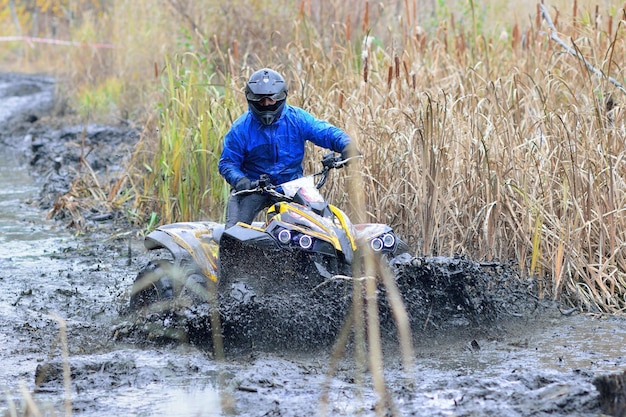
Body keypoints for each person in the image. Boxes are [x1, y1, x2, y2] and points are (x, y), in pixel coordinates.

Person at [218, 68, 358, 229]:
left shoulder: (297, 118)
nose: (266, 104)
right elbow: (227, 163)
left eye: (271, 100)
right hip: (253, 187)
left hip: (292, 186)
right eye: (260, 101)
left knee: (323, 223)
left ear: (281, 97)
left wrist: (347, 145)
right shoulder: (240, 128)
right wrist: (240, 180)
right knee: (233, 235)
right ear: (251, 99)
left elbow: (325, 132)